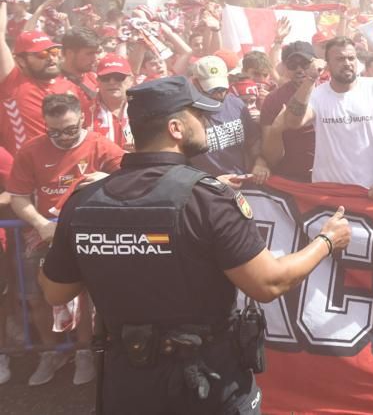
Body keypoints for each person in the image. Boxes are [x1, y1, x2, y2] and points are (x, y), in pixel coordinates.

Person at [37, 76, 352, 414]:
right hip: (206, 384)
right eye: (197, 115)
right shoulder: (208, 199)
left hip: (127, 385)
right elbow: (268, 282)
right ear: (175, 127)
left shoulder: (85, 201)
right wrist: (326, 240)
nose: (205, 122)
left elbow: (55, 292)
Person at [8, 93, 123, 386]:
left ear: (82, 119)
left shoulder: (99, 144)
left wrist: (106, 178)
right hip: (42, 230)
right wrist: (40, 223)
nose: (63, 137)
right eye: (54, 131)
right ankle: (51, 352)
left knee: (82, 295)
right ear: (45, 125)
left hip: (86, 227)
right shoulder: (31, 150)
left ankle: (84, 351)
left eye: (70, 129)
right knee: (35, 296)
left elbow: (131, 176)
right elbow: (19, 198)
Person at [282, 37, 373, 197]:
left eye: (351, 58)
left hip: (369, 191)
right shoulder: (317, 94)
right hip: (327, 192)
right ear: (327, 63)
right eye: (340, 59)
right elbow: (292, 122)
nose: (347, 63)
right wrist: (310, 79)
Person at [0, 14, 78, 156]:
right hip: (25, 172)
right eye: (41, 54)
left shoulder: (69, 86)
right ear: (21, 61)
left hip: (66, 170)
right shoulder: (12, 83)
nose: (51, 57)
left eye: (54, 51)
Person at [189, 56, 263, 182]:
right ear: (196, 83)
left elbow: (253, 141)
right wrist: (214, 183)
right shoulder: (185, 114)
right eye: (213, 89)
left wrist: (260, 162)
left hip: (241, 183)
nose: (219, 94)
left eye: (222, 87)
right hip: (206, 190)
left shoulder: (237, 104)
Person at [259, 41, 319, 183]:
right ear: (285, 68)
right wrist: (276, 130)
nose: (299, 69)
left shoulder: (331, 92)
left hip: (329, 177)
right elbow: (271, 158)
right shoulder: (274, 100)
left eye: (305, 63)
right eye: (292, 64)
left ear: (316, 63)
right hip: (291, 179)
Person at [86, 54, 135, 150]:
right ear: (98, 81)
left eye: (118, 77)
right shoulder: (85, 113)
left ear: (131, 80)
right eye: (106, 78)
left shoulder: (145, 109)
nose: (112, 82)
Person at [60, 26, 102, 104]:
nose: (95, 58)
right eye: (89, 53)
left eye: (96, 53)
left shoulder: (93, 77)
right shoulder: (54, 84)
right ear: (70, 53)